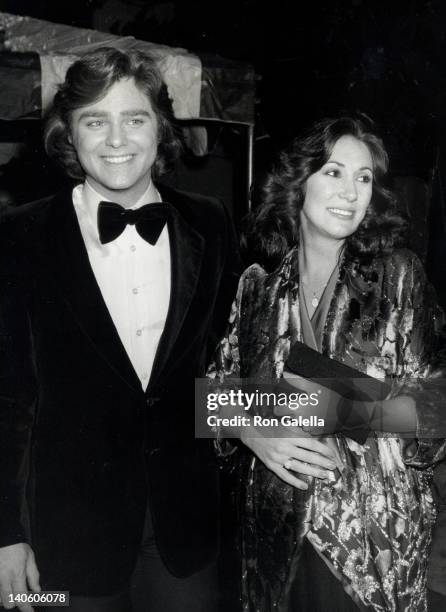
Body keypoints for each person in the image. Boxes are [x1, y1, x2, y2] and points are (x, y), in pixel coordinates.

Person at [0, 47, 240, 612]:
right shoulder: (18, 236)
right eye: (95, 120)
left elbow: (232, 361)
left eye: (134, 118)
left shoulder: (210, 221)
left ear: (160, 130)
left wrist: (348, 413)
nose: (116, 140)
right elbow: (6, 397)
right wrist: (5, 534)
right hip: (64, 542)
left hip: (186, 532)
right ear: (68, 134)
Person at [208, 116, 446, 611]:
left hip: (374, 543)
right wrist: (254, 432)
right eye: (334, 172)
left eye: (364, 178)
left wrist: (320, 400)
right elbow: (212, 396)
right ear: (299, 182)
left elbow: (437, 415)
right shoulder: (257, 287)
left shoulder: (397, 275)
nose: (352, 192)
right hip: (277, 539)